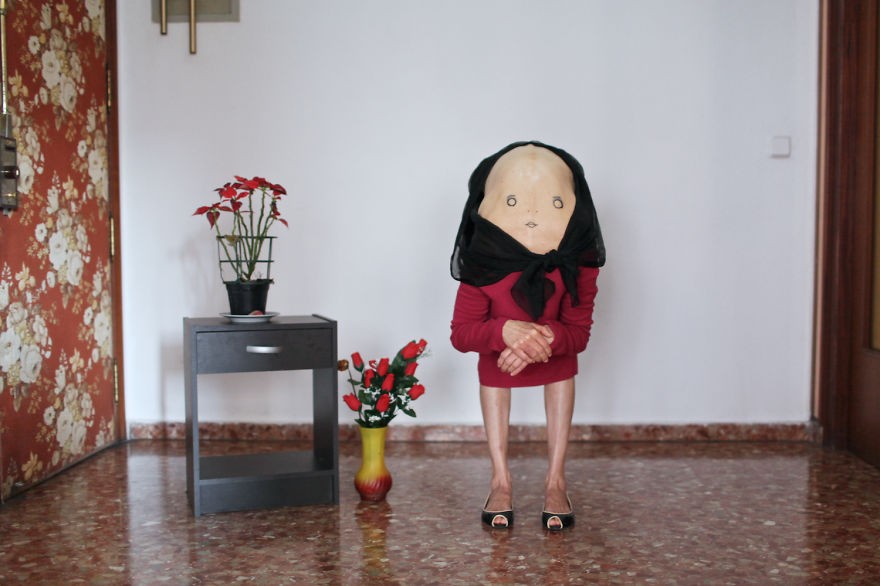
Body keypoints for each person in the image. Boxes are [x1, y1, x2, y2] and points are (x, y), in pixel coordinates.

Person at [450, 141, 605, 530]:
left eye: (554, 202)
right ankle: (500, 480)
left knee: (563, 369)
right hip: (499, 358)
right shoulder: (482, 261)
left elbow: (579, 335)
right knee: (493, 368)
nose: (533, 213)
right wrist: (505, 330)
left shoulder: (579, 264)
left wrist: (538, 340)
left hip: (553, 353)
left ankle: (556, 481)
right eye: (513, 201)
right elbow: (462, 334)